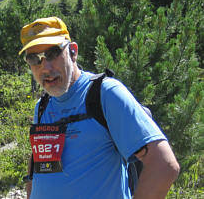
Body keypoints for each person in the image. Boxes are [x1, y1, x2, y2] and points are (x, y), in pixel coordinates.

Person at [19, 17, 179, 199]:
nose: (45, 67)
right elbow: (39, 164)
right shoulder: (43, 106)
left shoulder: (105, 94)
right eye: (34, 58)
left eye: (53, 53)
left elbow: (163, 166)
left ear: (73, 52)